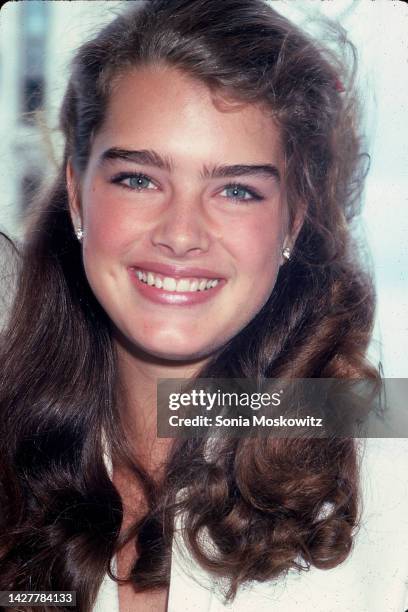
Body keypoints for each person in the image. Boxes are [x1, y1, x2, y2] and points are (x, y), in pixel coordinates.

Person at [0, 0, 407, 611]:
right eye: (139, 178)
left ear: (293, 221)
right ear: (77, 196)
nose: (182, 233)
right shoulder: (16, 455)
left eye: (236, 190)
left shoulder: (388, 462)